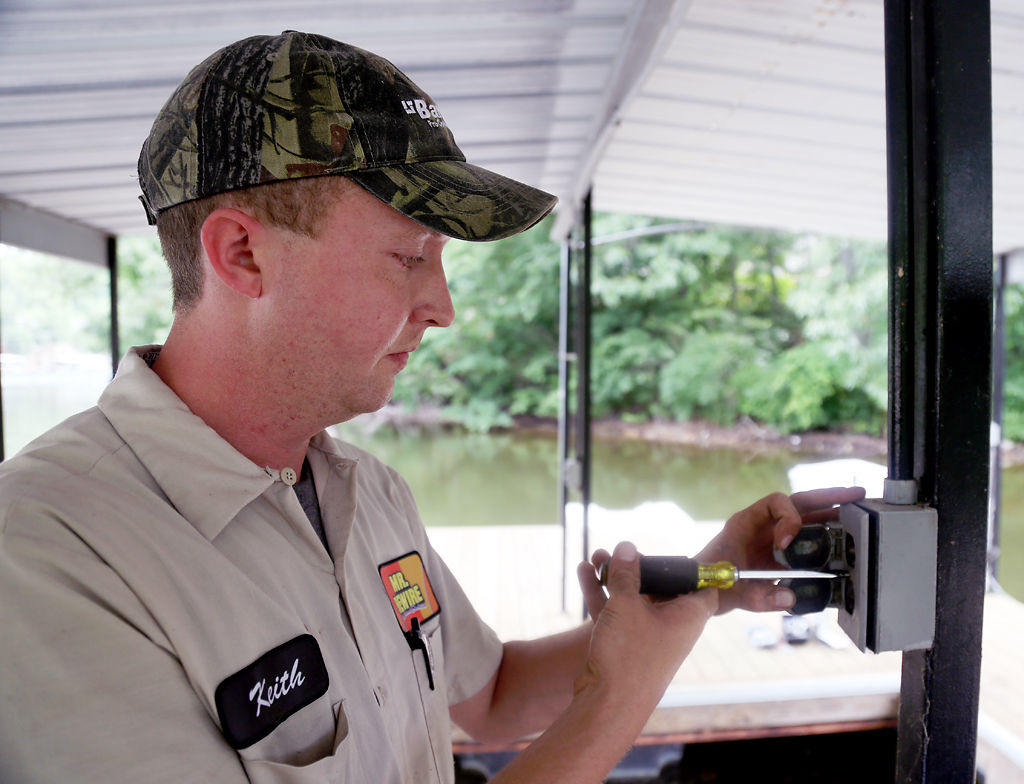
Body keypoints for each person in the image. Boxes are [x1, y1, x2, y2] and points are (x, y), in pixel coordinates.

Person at [0, 31, 863, 783]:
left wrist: (707, 585)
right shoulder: (47, 550)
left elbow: (488, 699)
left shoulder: (369, 494)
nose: (443, 306)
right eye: (410, 255)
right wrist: (623, 695)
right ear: (241, 255)